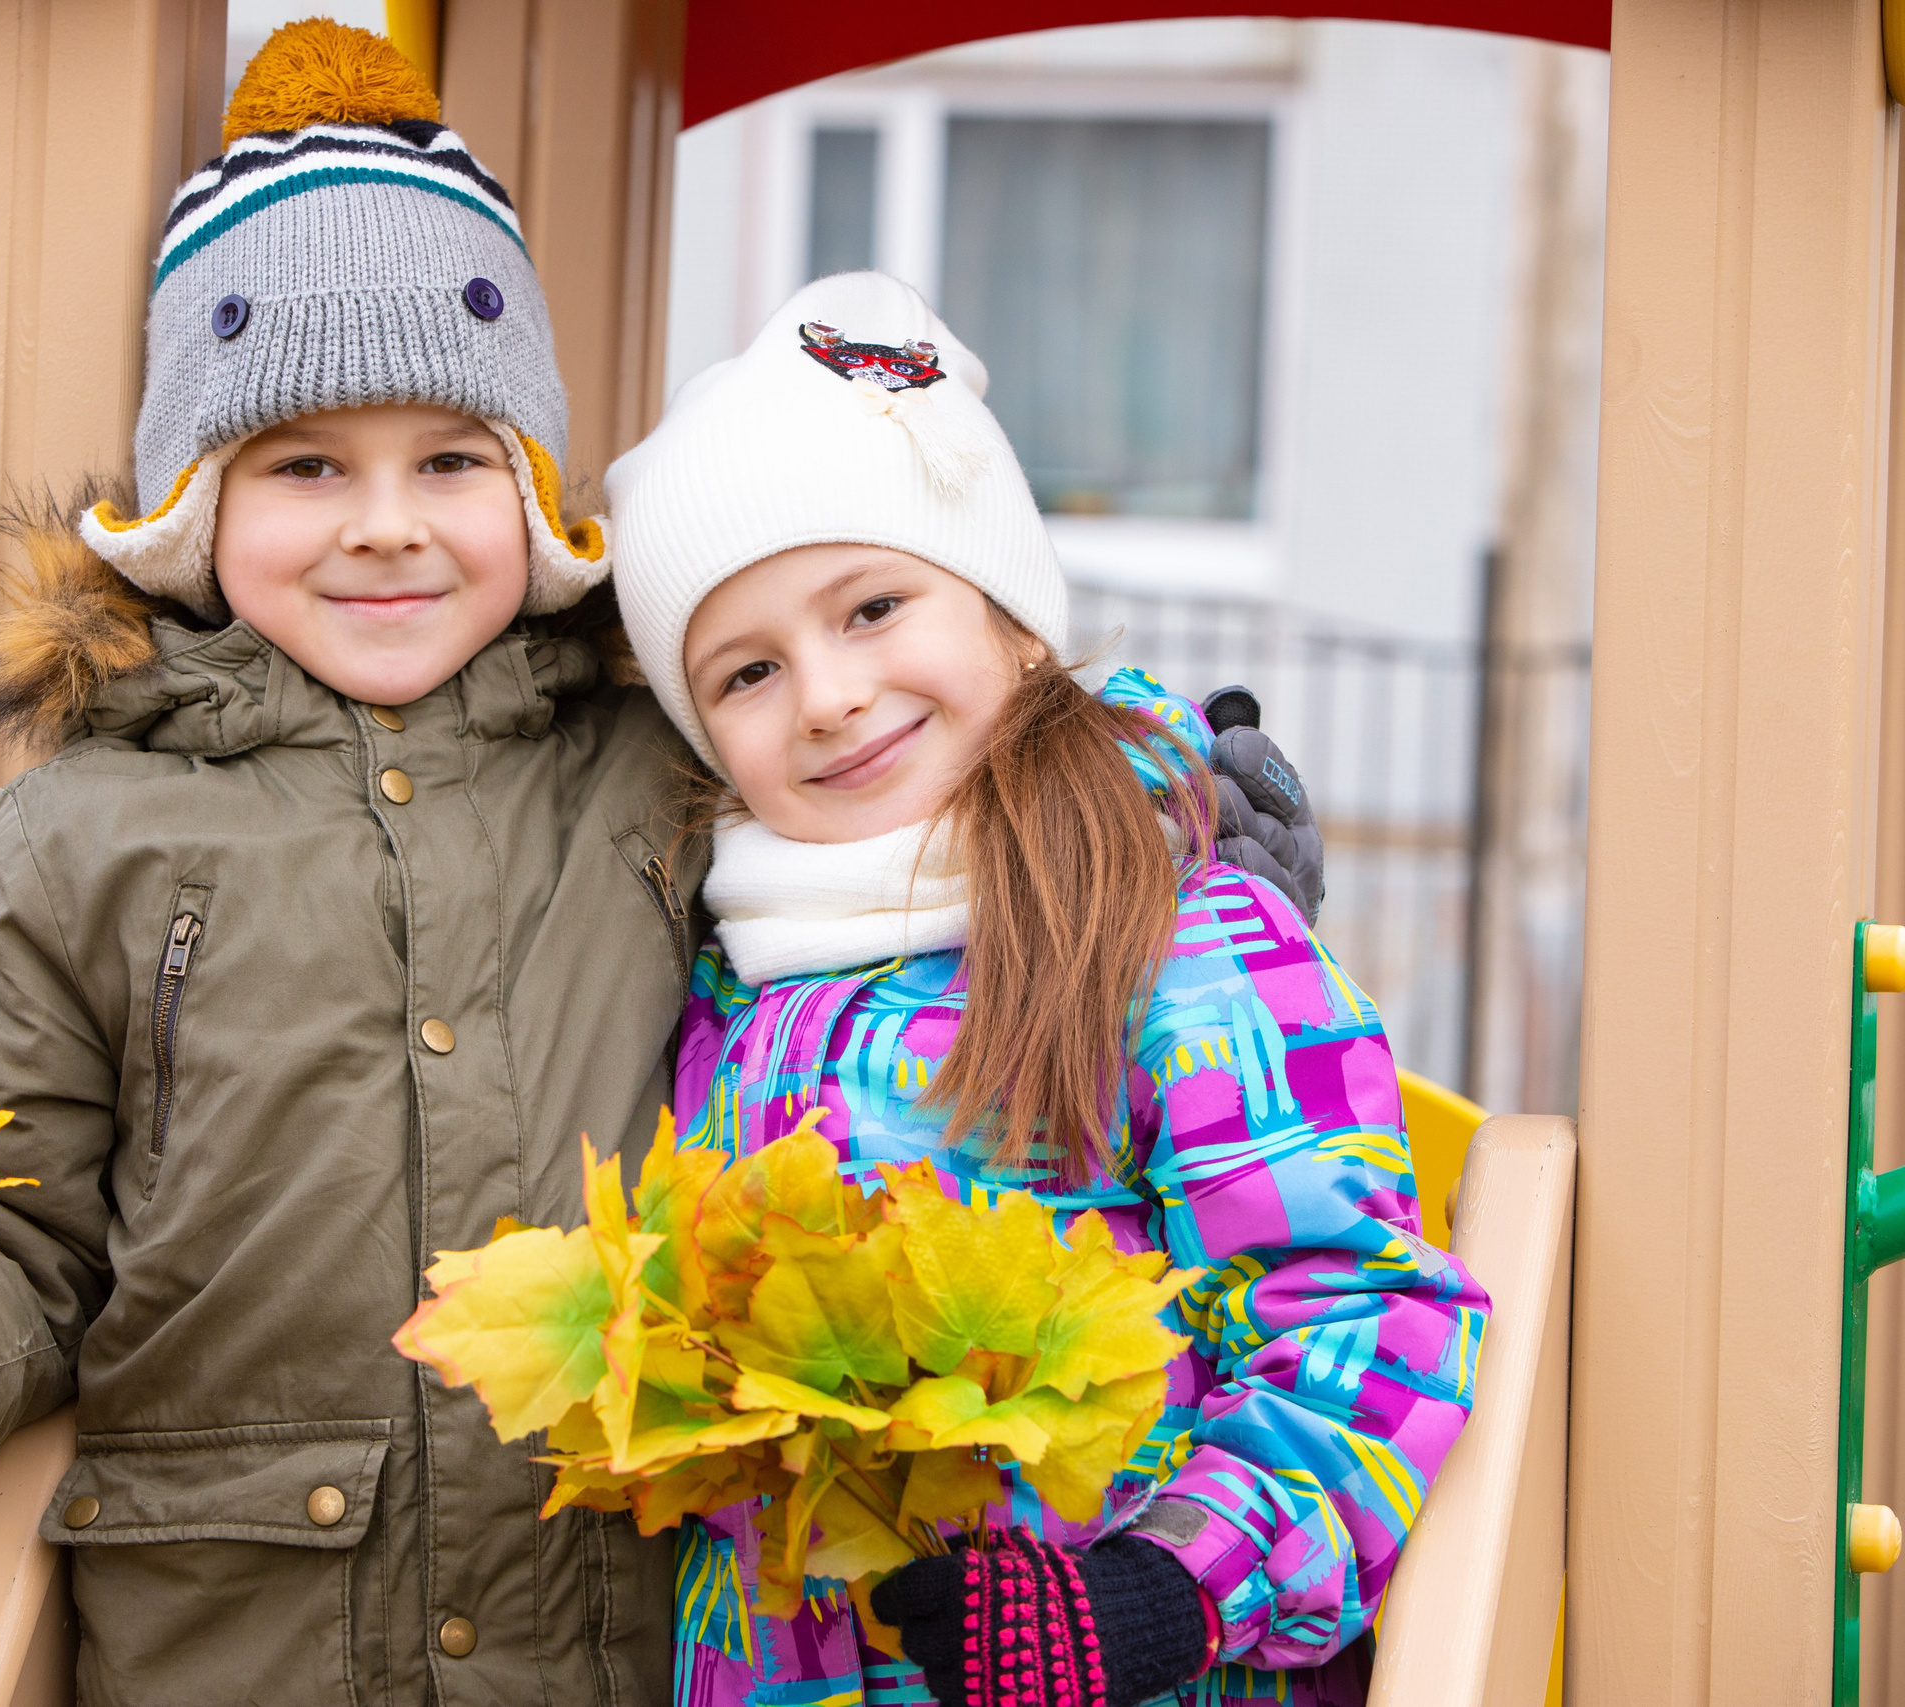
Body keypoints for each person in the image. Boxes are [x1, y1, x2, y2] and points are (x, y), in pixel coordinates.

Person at [0, 29, 1325, 1705]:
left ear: (534, 493)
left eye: (452, 461)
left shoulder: (658, 768)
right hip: (243, 1647)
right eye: (307, 463)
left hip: (613, 1639)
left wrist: (1157, 802)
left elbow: (939, 820)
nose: (387, 521)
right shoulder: (94, 834)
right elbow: (25, 1224)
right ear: (197, 500)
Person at [603, 270, 1488, 1707]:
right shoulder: (728, 985)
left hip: (1112, 1663)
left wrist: (1163, 1591)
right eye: (748, 671)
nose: (826, 693)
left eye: (874, 604)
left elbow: (1359, 1311)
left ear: (1012, 615)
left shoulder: (1174, 931)